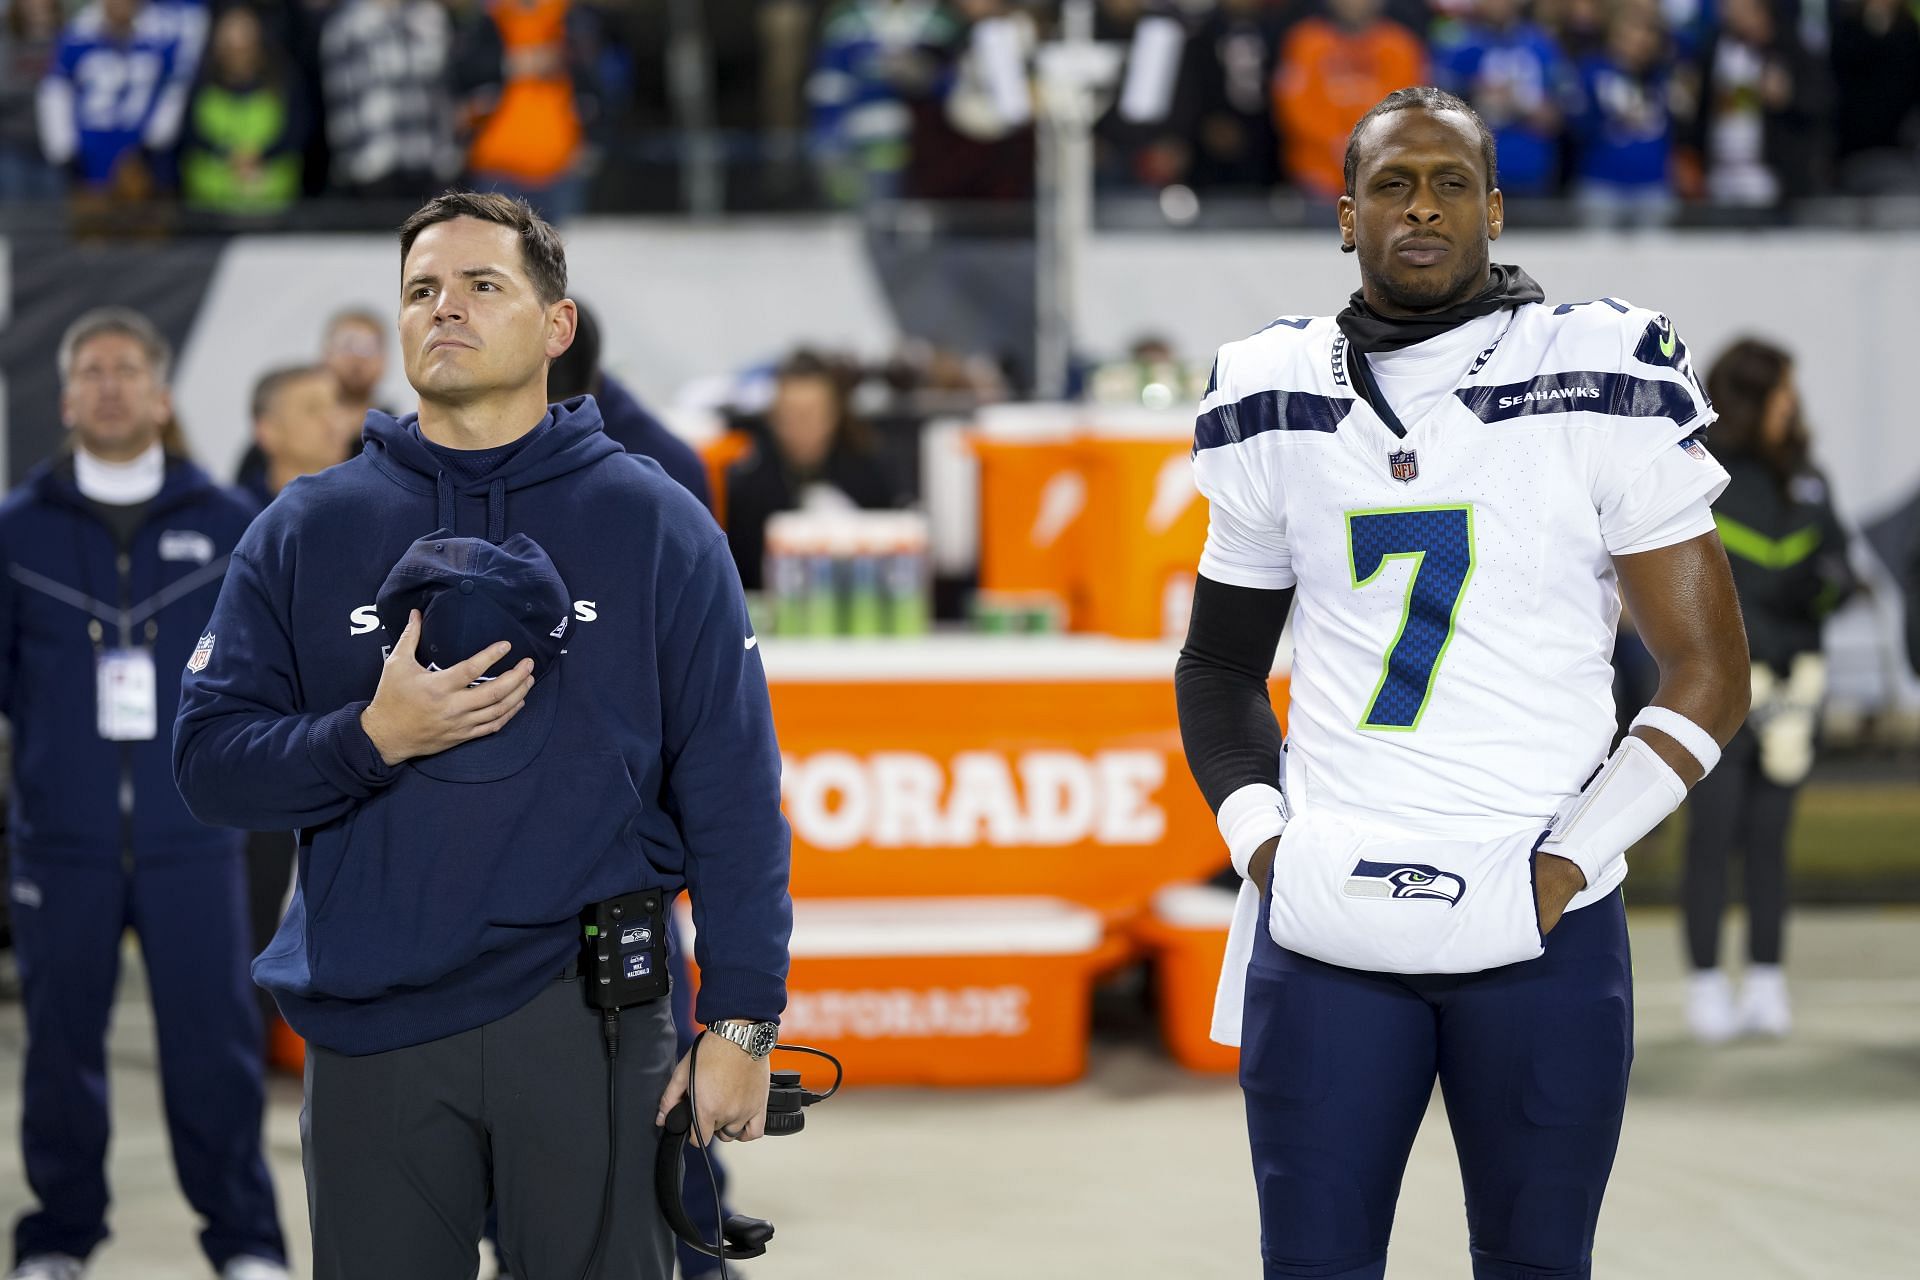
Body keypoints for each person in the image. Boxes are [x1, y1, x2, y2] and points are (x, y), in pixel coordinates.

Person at [1176, 87, 1750, 1279]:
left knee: (1538, 1264)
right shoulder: (1271, 391)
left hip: (1538, 915)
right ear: (1346, 216)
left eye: (1448, 183)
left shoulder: (1595, 365)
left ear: (1495, 209)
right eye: (1392, 184)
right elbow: (1220, 663)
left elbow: (1709, 672)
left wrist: (1569, 860)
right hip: (1330, 914)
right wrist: (1263, 840)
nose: (1421, 207)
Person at [173, 191, 792, 1280]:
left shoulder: (654, 523)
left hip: (597, 1022)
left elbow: (737, 788)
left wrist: (742, 1022)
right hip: (376, 1024)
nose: (443, 307)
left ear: (556, 325)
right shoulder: (309, 527)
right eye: (421, 289)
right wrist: (371, 734)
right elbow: (210, 766)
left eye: (481, 284)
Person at [0, 307, 287, 1280]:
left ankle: (247, 1239)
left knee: (217, 1048)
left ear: (162, 396)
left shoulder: (225, 522)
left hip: (195, 840)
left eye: (130, 368)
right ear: (68, 394)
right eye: (93, 369)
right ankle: (59, 1237)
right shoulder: (16, 531)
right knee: (59, 1051)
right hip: (59, 843)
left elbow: (261, 670)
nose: (112, 383)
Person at [1680, 338, 1856, 1043]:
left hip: (1793, 689)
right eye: (1782, 390)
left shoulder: (1806, 479)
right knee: (1711, 835)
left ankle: (1765, 978)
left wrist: (1832, 586)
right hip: (1721, 689)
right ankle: (1702, 985)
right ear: (1755, 399)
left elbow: (1835, 563)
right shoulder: (1701, 475)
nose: (1793, 403)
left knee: (1770, 836)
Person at [723, 348, 900, 591]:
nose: (802, 427)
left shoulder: (871, 476)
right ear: (773, 417)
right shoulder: (748, 488)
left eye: (812, 414)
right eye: (791, 415)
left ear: (834, 414)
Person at [35, 0, 196, 200]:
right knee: (91, 222)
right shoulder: (76, 37)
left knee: (146, 221)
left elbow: (173, 91)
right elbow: (55, 92)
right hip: (88, 152)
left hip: (141, 154)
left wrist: (155, 141)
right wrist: (64, 147)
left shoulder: (161, 38)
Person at [1272, 0, 1424, 202]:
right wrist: (1338, 142)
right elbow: (1293, 107)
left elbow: (1408, 107)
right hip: (1317, 175)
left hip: (1384, 173)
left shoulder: (1399, 44)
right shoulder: (1306, 41)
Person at [318, 0, 460, 200]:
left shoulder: (430, 17)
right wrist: (355, 167)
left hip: (430, 167)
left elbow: (444, 95)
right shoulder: (347, 25)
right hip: (372, 170)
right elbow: (343, 103)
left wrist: (447, 158)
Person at [180, 2, 307, 217]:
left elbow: (296, 132)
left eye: (245, 43)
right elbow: (192, 137)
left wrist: (261, 156)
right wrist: (230, 156)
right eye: (230, 44)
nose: (238, 50)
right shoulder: (201, 88)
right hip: (210, 210)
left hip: (276, 207)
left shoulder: (283, 83)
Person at [1432, 0, 1569, 198]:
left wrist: (1527, 104)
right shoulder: (1458, 44)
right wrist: (1476, 95)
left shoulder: (1541, 45)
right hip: (1473, 173)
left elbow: (1563, 112)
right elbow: (1437, 111)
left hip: (1532, 170)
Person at [1566, 3, 1677, 227]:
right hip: (1601, 183)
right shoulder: (1591, 70)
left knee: (1659, 260)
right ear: (1614, 33)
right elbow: (1576, 126)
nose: (1640, 39)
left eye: (1648, 32)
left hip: (1652, 185)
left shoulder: (1663, 76)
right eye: (1633, 30)